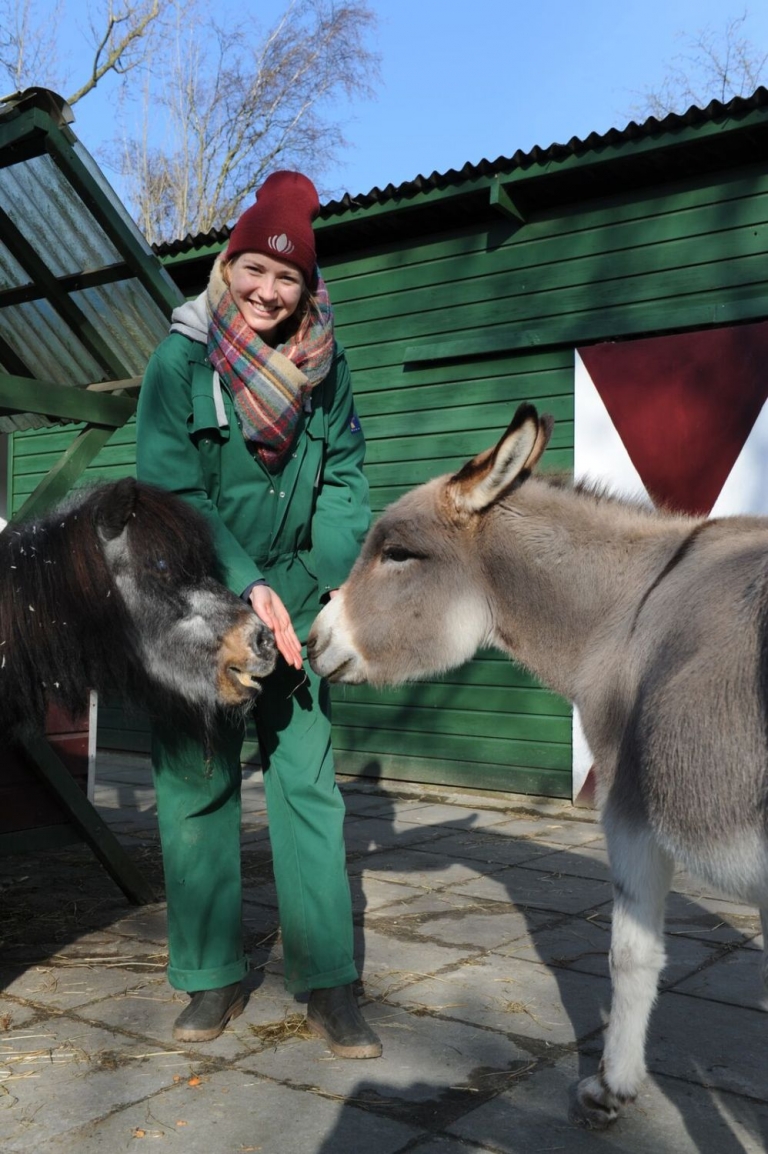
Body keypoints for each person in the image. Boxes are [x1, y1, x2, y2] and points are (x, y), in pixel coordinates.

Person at [135, 170, 381, 1059]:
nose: (271, 294)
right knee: (197, 783)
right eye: (255, 271)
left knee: (308, 785)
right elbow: (169, 493)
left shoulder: (329, 366)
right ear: (228, 265)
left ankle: (328, 981)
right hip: (200, 595)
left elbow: (349, 481)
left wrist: (315, 583)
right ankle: (209, 976)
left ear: (308, 287)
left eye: (290, 279)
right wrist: (247, 588)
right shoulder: (180, 363)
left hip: (300, 597)